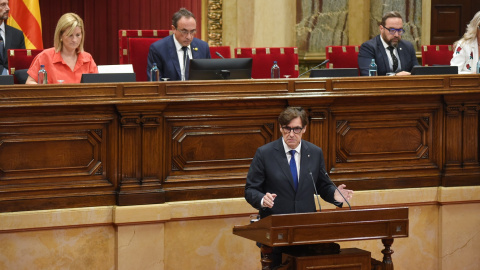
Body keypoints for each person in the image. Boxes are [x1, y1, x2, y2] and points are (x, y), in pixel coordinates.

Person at [245, 106, 353, 268]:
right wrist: (262, 199)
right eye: (287, 129)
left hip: (307, 232)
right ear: (281, 128)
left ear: (304, 129)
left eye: (296, 129)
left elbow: (323, 186)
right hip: (276, 232)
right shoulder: (265, 153)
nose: (291, 134)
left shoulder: (314, 153)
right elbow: (250, 190)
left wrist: (335, 195)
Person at [26, 13, 97, 84]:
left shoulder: (88, 59)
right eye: (70, 35)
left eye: (78, 35)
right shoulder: (45, 57)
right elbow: (29, 83)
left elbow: (97, 86)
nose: (74, 40)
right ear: (60, 36)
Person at [146, 8, 211, 81]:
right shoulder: (158, 49)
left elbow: (208, 78)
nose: (189, 37)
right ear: (174, 29)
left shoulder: (203, 47)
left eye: (192, 31)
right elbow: (155, 82)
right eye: (184, 31)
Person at [358, 11, 418, 76]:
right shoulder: (368, 47)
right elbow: (369, 76)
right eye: (392, 30)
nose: (396, 35)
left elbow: (417, 71)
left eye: (400, 30)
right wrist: (395, 77)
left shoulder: (407, 46)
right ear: (381, 29)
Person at [0, 0, 25, 75]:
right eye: (3, 5)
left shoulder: (17, 34)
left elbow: (22, 62)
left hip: (13, 84)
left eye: (8, 4)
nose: (8, 8)